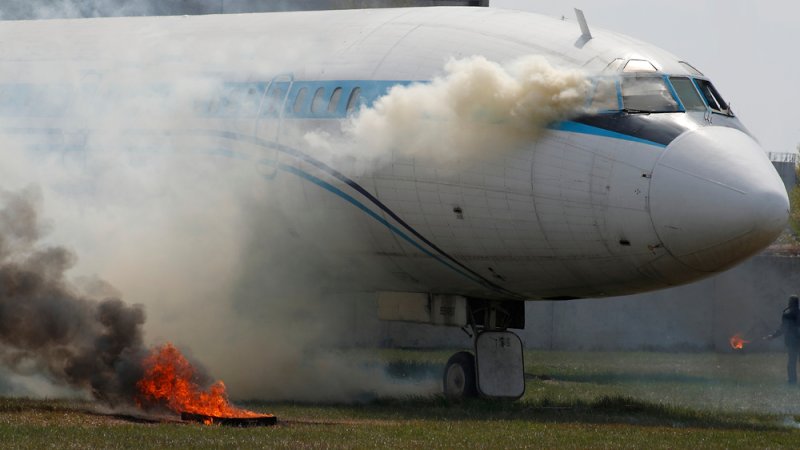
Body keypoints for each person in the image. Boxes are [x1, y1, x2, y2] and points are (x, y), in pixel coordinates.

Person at [765, 295, 800, 384]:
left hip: (792, 342)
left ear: (790, 303)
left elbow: (783, 328)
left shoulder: (787, 314)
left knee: (792, 362)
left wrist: (773, 336)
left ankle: (792, 381)